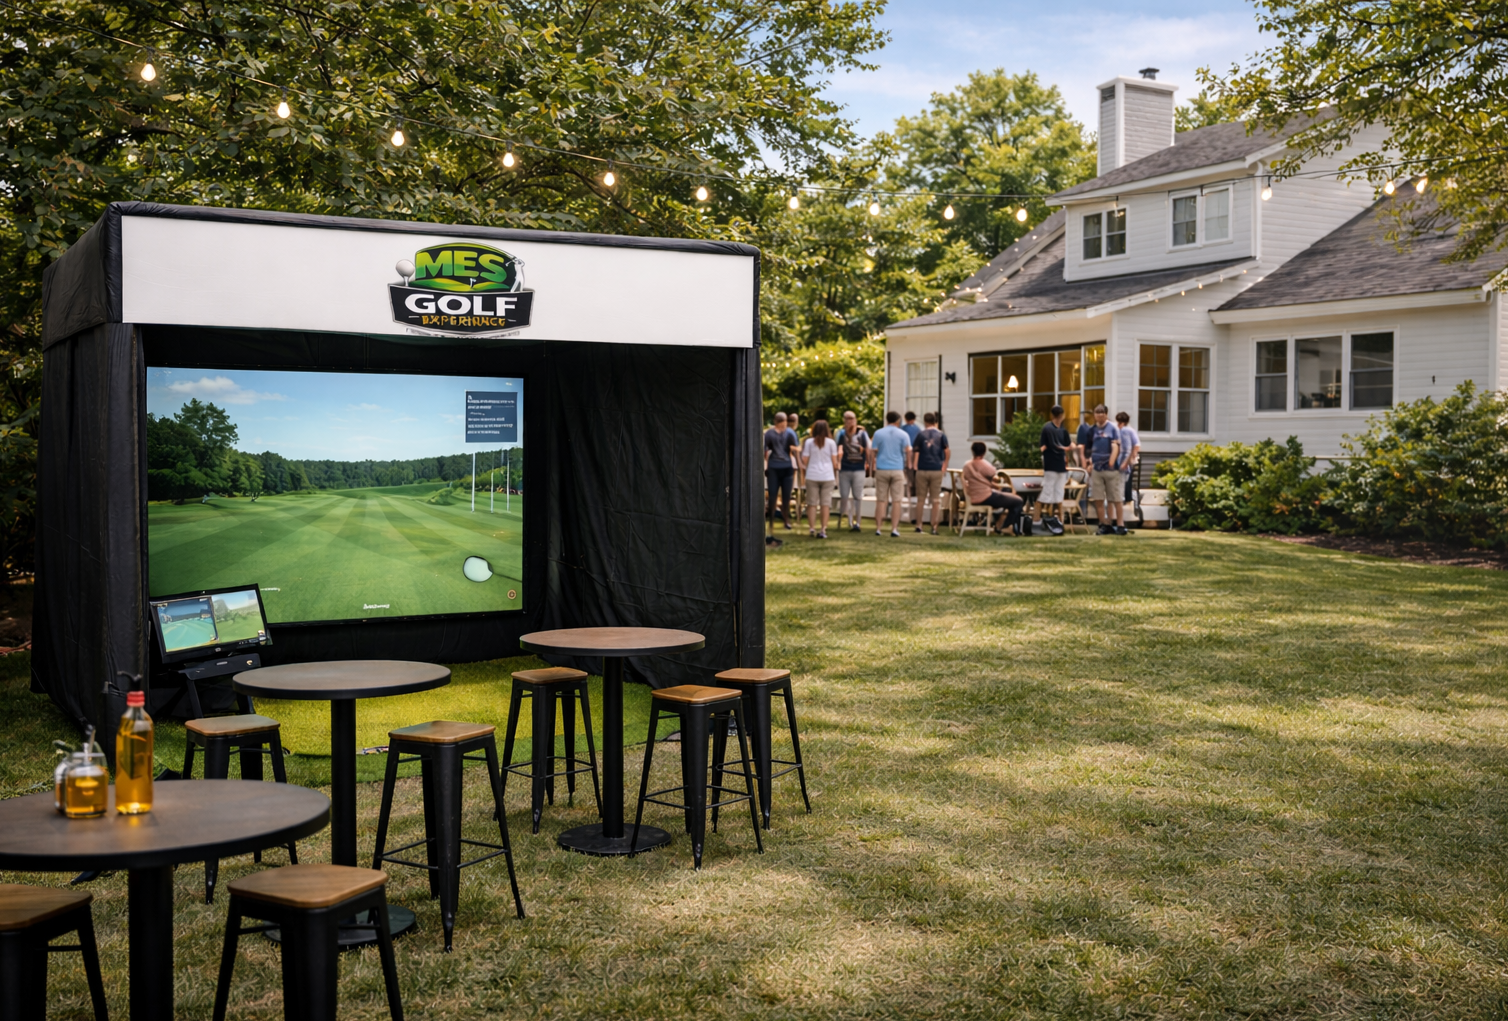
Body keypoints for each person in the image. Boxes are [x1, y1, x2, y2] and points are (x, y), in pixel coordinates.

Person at [961, 442, 1023, 534]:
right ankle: (1005, 527)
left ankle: (1000, 525)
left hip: (973, 498)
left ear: (972, 451)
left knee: (1007, 498)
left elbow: (972, 478)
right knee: (1018, 501)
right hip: (986, 496)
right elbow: (993, 474)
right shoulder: (984, 464)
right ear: (984, 452)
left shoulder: (966, 465)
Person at [908, 411, 950, 535]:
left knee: (921, 499)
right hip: (936, 469)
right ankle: (934, 527)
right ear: (935, 422)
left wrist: (915, 466)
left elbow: (916, 451)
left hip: (922, 469)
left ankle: (919, 525)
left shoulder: (920, 434)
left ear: (925, 422)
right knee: (935, 500)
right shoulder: (941, 435)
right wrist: (945, 465)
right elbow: (947, 450)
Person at [870, 411, 911, 537]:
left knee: (881, 500)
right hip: (897, 469)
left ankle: (878, 528)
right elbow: (908, 449)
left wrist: (873, 465)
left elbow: (873, 451)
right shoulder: (903, 434)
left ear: (887, 420)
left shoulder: (878, 433)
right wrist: (908, 464)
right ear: (898, 420)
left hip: (882, 469)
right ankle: (894, 529)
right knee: (896, 501)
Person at [1085, 404, 1123, 535]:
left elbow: (1116, 446)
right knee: (1098, 498)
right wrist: (1089, 462)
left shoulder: (1112, 428)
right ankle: (1103, 524)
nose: (1100, 415)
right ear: (1094, 415)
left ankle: (1120, 525)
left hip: (1111, 469)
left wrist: (1112, 461)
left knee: (1115, 497)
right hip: (1097, 469)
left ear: (1106, 414)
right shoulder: (1091, 430)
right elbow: (1088, 449)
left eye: (1102, 413)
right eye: (1097, 413)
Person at [800, 419, 840, 538]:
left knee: (811, 504)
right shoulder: (831, 443)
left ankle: (812, 528)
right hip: (827, 476)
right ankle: (823, 529)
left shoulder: (809, 442)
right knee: (825, 504)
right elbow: (835, 463)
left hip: (812, 475)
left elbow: (805, 460)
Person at [1036, 404, 1072, 532]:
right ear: (1063, 416)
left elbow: (1042, 447)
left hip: (1052, 465)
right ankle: (1058, 522)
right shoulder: (1062, 430)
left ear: (1051, 415)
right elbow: (1069, 445)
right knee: (1056, 493)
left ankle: (1040, 521)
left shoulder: (1047, 428)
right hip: (1057, 465)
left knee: (1051, 492)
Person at [762, 412, 798, 533]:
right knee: (772, 495)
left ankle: (786, 519)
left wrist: (797, 463)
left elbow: (795, 448)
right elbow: (764, 450)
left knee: (786, 496)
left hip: (787, 466)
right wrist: (765, 465)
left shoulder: (789, 433)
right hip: (774, 467)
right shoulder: (769, 433)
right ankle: (771, 521)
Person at [834, 411, 870, 533]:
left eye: (852, 419)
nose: (850, 421)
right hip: (845, 468)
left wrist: (868, 463)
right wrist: (838, 461)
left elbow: (867, 449)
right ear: (844, 420)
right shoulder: (841, 434)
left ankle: (857, 523)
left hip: (858, 468)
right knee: (844, 495)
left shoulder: (862, 434)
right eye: (847, 419)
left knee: (857, 496)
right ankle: (848, 519)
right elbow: (838, 448)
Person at [1114, 411, 1141, 535]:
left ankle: (1126, 500)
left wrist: (1130, 459)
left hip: (1125, 461)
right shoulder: (1125, 430)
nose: (1118, 424)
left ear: (1122, 422)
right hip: (1121, 461)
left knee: (1124, 484)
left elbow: (1134, 446)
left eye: (1119, 422)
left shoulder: (1127, 431)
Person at [901, 411, 921, 512]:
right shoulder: (918, 429)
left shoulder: (903, 429)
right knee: (915, 472)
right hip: (916, 454)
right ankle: (916, 493)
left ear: (905, 418)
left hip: (905, 454)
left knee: (908, 474)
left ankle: (909, 493)